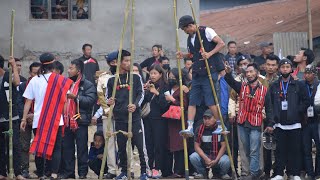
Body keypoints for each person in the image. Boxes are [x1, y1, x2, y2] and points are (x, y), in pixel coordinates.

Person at [21, 53, 73, 180]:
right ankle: (54, 174)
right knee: (56, 148)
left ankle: (42, 174)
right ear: (53, 63)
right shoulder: (60, 79)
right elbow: (65, 100)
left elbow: (28, 101)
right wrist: (66, 117)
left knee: (40, 146)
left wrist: (23, 118)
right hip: (56, 119)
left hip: (39, 120)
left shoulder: (34, 80)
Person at [177, 15, 226, 137]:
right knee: (192, 101)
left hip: (209, 71)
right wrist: (183, 55)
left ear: (190, 25)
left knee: (210, 101)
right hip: (197, 73)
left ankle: (221, 125)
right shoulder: (190, 38)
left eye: (185, 29)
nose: (185, 32)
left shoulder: (206, 31)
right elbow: (193, 54)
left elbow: (221, 43)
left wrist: (209, 54)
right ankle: (190, 127)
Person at [224, 62, 274, 180]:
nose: (249, 74)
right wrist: (228, 72)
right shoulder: (241, 86)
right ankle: (250, 173)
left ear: (257, 73)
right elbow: (231, 81)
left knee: (254, 149)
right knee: (245, 150)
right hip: (241, 123)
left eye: (251, 72)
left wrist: (271, 123)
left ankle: (253, 173)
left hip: (256, 123)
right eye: (247, 72)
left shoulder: (265, 91)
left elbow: (270, 109)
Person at [106, 50, 148, 180]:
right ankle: (125, 171)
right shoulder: (112, 80)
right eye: (126, 61)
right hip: (119, 119)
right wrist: (110, 102)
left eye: (130, 60)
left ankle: (144, 172)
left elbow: (140, 94)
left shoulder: (136, 77)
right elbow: (108, 98)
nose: (129, 63)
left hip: (134, 118)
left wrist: (135, 105)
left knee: (141, 147)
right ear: (118, 62)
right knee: (122, 148)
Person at [269, 59, 309, 180]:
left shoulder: (299, 84)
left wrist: (297, 110)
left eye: (287, 67)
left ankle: (295, 173)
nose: (285, 69)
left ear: (291, 69)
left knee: (295, 150)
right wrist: (272, 121)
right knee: (280, 151)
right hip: (279, 124)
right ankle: (279, 173)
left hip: (295, 123)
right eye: (283, 67)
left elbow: (306, 101)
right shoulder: (274, 85)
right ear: (279, 69)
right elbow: (269, 105)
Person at [60, 59, 97, 179]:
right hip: (66, 121)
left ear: (78, 71)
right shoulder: (65, 83)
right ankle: (69, 172)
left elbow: (90, 101)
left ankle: (82, 173)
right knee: (67, 148)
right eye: (69, 68)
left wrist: (76, 97)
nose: (69, 70)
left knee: (81, 149)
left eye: (71, 68)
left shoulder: (87, 84)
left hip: (80, 121)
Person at [92, 51, 119, 179]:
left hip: (122, 115)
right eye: (113, 62)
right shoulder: (103, 77)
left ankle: (125, 168)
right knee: (109, 143)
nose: (116, 64)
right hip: (107, 115)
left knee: (125, 142)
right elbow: (100, 96)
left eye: (117, 62)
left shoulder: (126, 76)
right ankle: (112, 169)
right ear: (109, 63)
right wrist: (108, 111)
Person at [143, 64, 170, 178]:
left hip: (160, 120)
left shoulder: (165, 86)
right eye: (151, 73)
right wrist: (144, 91)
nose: (152, 75)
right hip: (148, 119)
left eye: (155, 73)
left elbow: (165, 105)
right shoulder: (148, 85)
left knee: (158, 145)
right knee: (148, 144)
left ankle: (157, 168)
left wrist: (156, 92)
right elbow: (144, 102)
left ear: (160, 74)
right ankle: (149, 167)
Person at [0, 55, 24, 180]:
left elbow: (16, 82)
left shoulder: (8, 75)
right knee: (1, 147)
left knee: (15, 145)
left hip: (11, 117)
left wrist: (14, 65)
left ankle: (18, 172)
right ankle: (2, 172)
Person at [189, 109, 231, 179]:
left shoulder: (221, 129)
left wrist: (216, 160)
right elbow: (196, 147)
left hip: (218, 156)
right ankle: (202, 173)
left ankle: (221, 174)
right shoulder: (199, 129)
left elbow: (223, 147)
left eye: (209, 118)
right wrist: (206, 158)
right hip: (205, 155)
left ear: (215, 118)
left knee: (226, 160)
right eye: (205, 118)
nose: (207, 121)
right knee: (193, 157)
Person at [18, 62, 42, 178]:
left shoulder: (43, 85)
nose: (36, 75)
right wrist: (26, 116)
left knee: (39, 145)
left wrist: (35, 115)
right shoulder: (23, 85)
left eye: (38, 73)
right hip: (26, 119)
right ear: (29, 73)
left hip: (39, 119)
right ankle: (24, 169)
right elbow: (19, 102)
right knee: (24, 145)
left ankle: (40, 169)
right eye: (34, 73)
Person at [165, 68, 189, 178]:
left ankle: (180, 171)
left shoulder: (182, 89)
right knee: (173, 146)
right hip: (170, 120)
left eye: (173, 77)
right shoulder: (168, 89)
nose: (171, 79)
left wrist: (172, 100)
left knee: (180, 146)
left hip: (180, 121)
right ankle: (175, 170)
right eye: (169, 77)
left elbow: (184, 105)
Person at [301, 65, 320, 179]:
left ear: (314, 74)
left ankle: (318, 172)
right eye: (306, 73)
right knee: (306, 148)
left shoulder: (319, 85)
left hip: (317, 120)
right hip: (305, 121)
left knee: (319, 147)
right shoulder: (302, 85)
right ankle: (310, 173)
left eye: (309, 73)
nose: (307, 75)